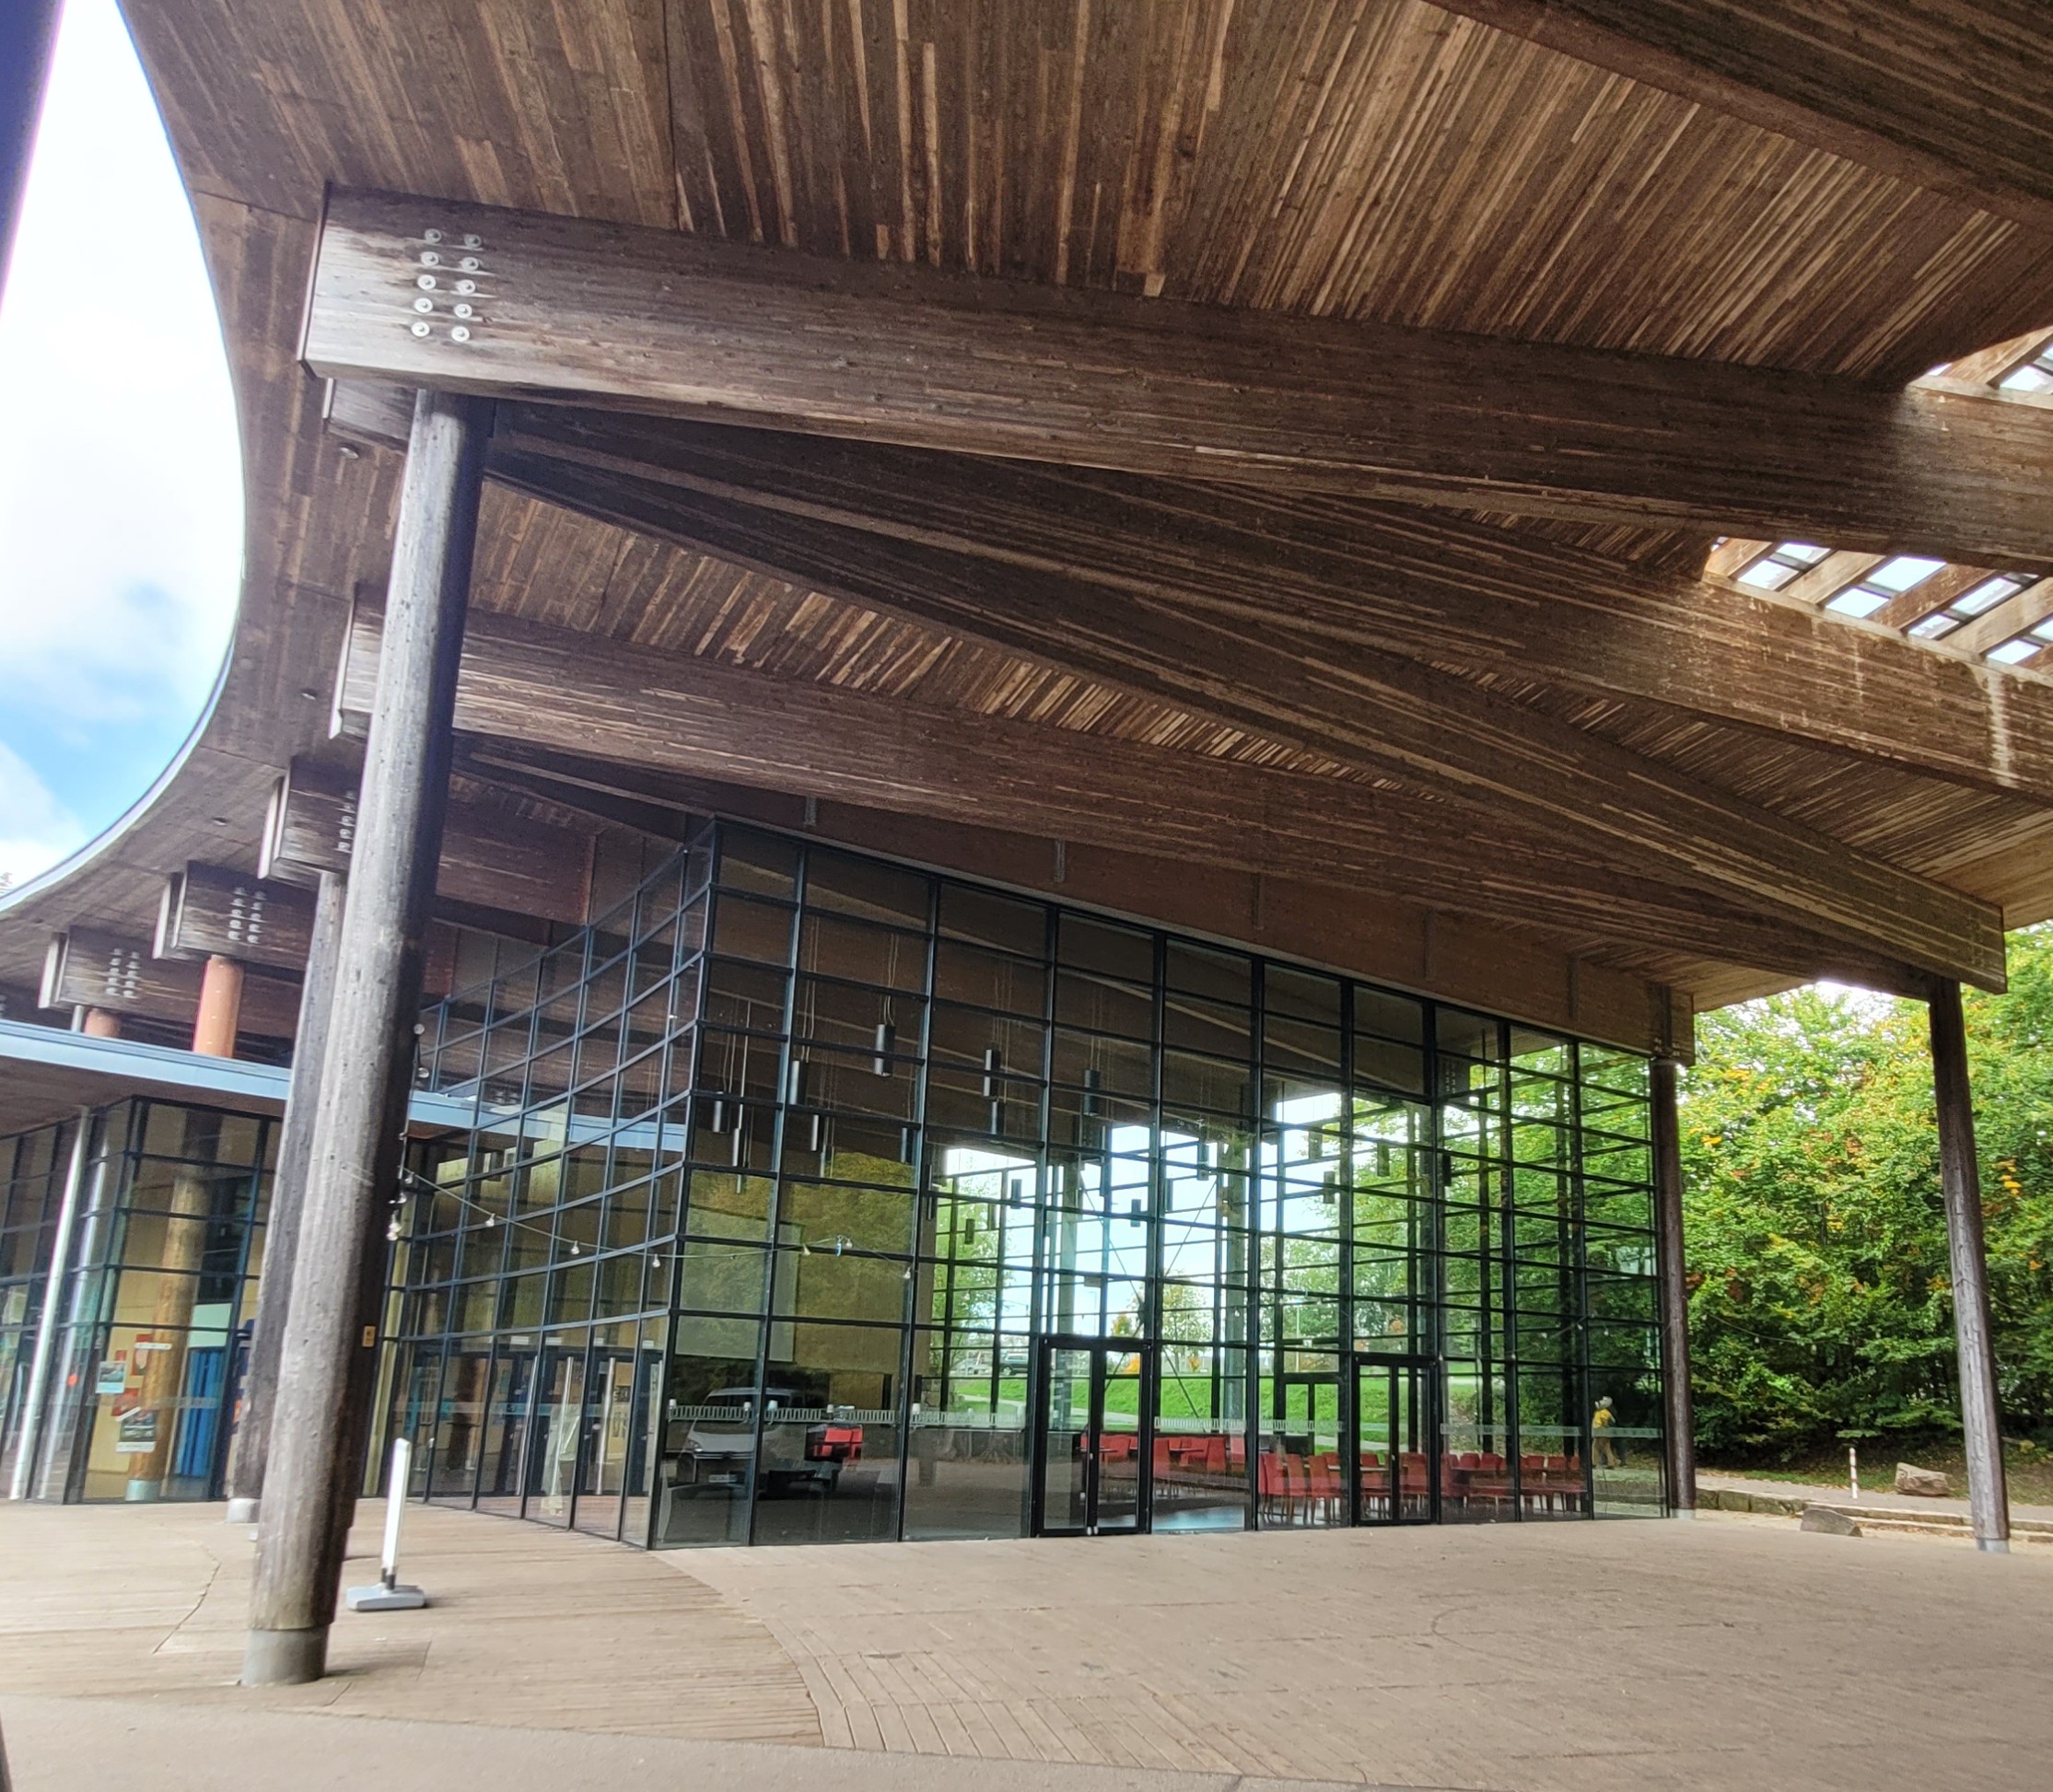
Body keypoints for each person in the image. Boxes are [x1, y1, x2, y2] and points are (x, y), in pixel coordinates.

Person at [1592, 1395, 1620, 1469]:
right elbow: (1613, 1421)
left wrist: (1604, 1427)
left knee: (1596, 1447)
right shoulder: (1604, 1412)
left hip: (1601, 1431)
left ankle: (1594, 1463)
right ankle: (1611, 1463)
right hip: (1604, 1432)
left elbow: (1604, 1422)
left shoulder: (1603, 1412)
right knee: (1606, 1447)